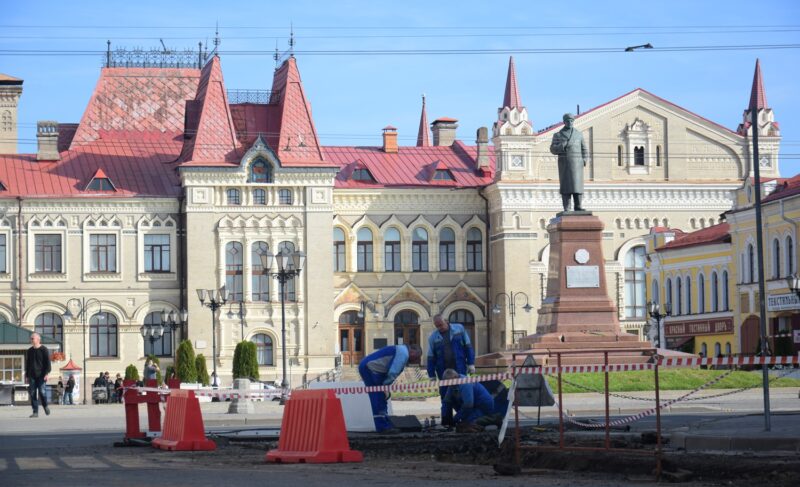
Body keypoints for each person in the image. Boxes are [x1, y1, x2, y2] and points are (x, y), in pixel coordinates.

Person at [358, 344, 422, 432]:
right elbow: (393, 372)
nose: (417, 360)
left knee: (380, 397)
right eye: (417, 356)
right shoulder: (404, 353)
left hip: (371, 368)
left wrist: (385, 387)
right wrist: (385, 387)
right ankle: (382, 426)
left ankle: (385, 422)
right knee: (377, 397)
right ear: (412, 351)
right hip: (371, 369)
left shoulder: (401, 350)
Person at [426, 314, 475, 426]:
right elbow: (430, 357)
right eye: (437, 326)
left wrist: (471, 363)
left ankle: (465, 420)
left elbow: (468, 346)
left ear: (446, 321)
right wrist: (431, 374)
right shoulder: (433, 337)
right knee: (445, 397)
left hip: (460, 369)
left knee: (463, 394)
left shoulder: (459, 329)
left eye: (441, 325)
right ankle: (446, 421)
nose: (440, 328)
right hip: (443, 372)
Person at [441, 369, 507, 433]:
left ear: (455, 378)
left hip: (483, 406)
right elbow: (446, 401)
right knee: (462, 421)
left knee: (469, 422)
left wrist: (456, 418)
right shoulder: (453, 384)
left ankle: (495, 419)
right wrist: (445, 417)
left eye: (449, 383)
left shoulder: (465, 383)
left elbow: (468, 405)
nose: (449, 385)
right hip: (474, 405)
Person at [549, 113, 588, 213]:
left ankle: (578, 206)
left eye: (571, 120)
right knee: (566, 187)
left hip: (577, 164)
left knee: (577, 186)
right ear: (564, 122)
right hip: (565, 164)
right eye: (568, 121)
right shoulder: (558, 135)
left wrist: (584, 159)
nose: (570, 122)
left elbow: (584, 148)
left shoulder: (579, 134)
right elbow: (553, 149)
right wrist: (562, 145)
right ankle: (567, 207)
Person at [25, 332, 51, 418]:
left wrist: (47, 373)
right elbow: (27, 364)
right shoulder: (29, 351)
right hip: (32, 375)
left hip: (41, 375)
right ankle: (35, 412)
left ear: (38, 339)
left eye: (33, 338)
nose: (31, 340)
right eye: (31, 338)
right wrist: (27, 376)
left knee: (42, 392)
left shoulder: (44, 349)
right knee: (32, 393)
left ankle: (45, 405)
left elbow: (47, 363)